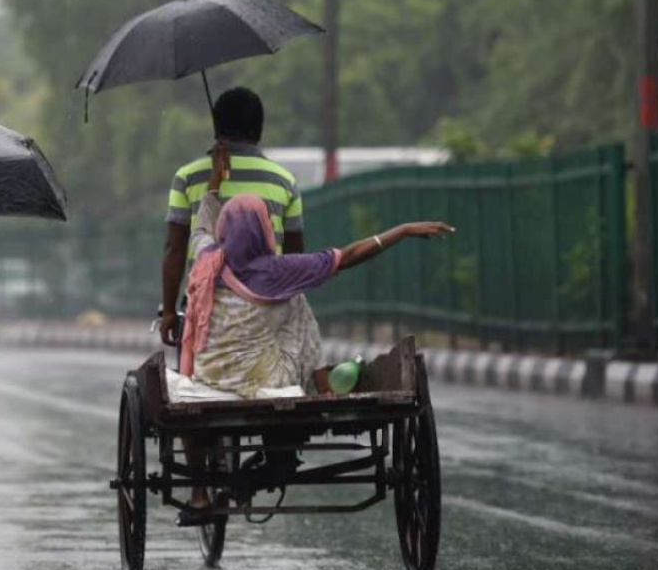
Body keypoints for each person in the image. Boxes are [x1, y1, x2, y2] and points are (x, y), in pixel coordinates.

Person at [178, 143, 453, 514]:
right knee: (296, 301)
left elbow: (201, 223)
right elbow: (350, 256)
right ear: (263, 231)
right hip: (267, 381)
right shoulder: (280, 270)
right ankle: (311, 387)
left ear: (225, 232)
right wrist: (401, 230)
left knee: (284, 304)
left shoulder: (207, 258)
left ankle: (200, 492)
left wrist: (215, 178)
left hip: (210, 379)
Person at [160, 86, 304, 347]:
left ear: (217, 127)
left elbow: (175, 249)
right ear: (259, 129)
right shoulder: (285, 181)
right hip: (268, 306)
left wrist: (169, 311)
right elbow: (295, 256)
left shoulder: (187, 178)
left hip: (205, 309)